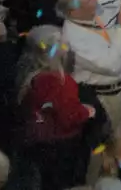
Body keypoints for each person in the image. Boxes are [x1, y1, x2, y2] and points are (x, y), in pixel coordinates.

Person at [61, 0, 121, 145]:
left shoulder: (95, 4)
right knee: (115, 146)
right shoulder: (72, 39)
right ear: (74, 11)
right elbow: (112, 66)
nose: (96, 1)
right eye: (89, 1)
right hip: (107, 99)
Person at [19, 33, 96, 190]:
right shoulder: (61, 82)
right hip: (63, 145)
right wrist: (86, 112)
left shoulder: (29, 78)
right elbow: (69, 116)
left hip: (39, 143)